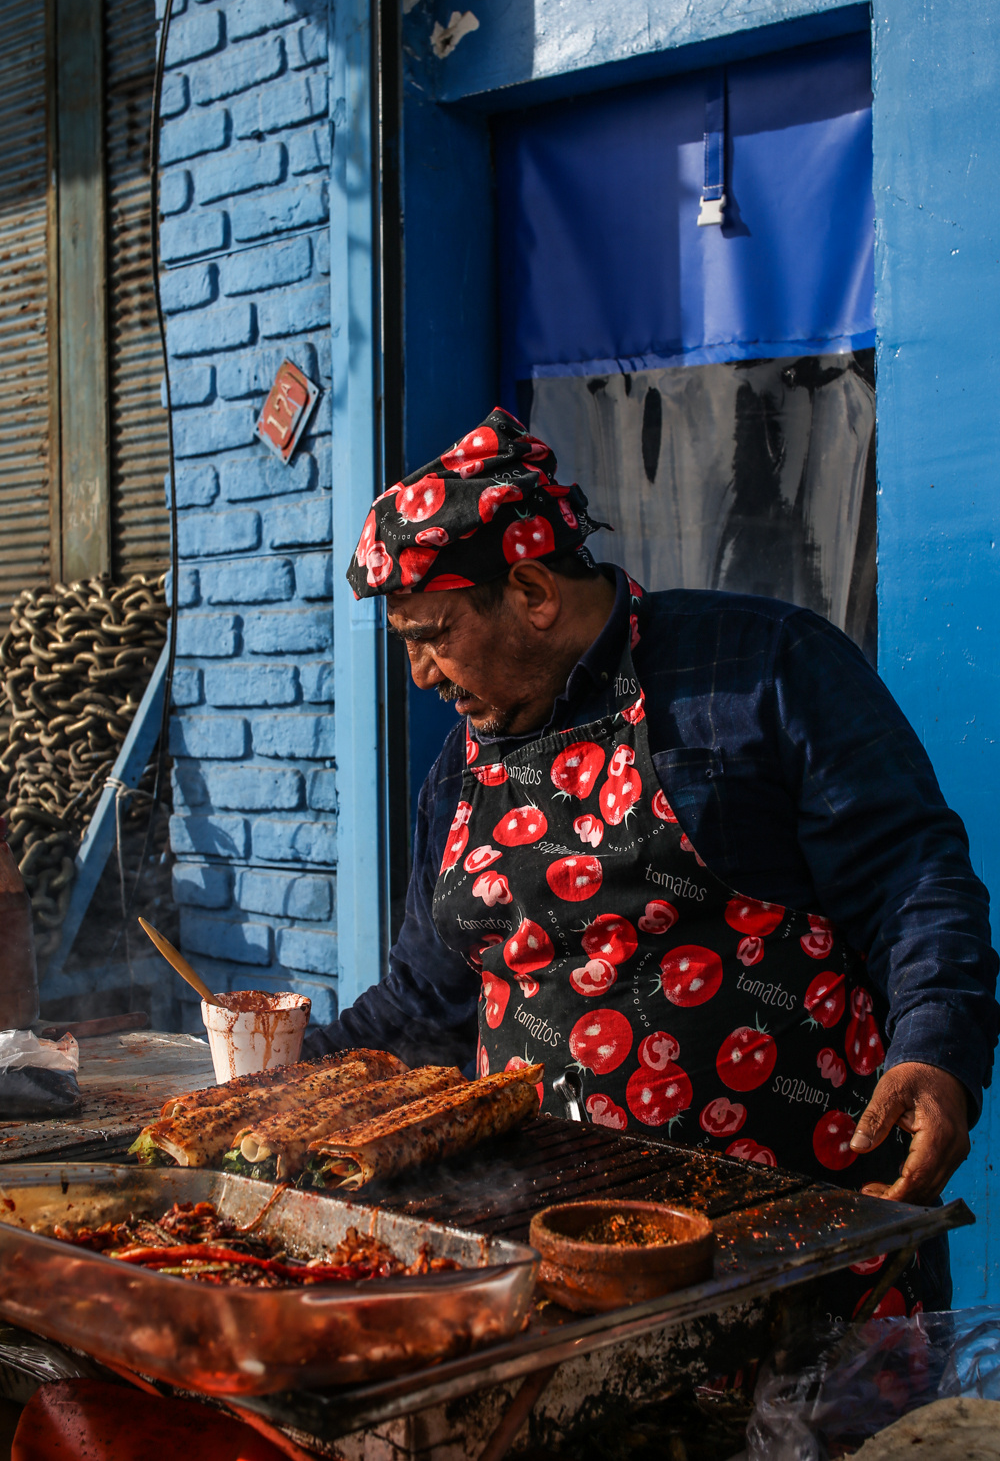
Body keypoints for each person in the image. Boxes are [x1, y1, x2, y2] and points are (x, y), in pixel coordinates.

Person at [305, 407, 999, 1314]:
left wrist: (938, 1048)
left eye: (431, 634)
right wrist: (276, 1082)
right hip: (562, 1268)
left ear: (533, 591)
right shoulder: (458, 767)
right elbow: (424, 1003)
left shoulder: (761, 670)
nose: (422, 674)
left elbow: (911, 878)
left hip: (795, 1251)